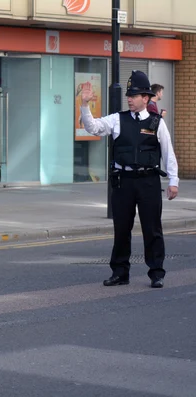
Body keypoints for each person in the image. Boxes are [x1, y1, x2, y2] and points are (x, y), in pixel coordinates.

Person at [80, 70, 179, 288]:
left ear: (145, 98)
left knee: (152, 229)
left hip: (148, 181)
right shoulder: (117, 119)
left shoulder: (156, 123)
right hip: (123, 181)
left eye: (133, 96)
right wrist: (85, 106)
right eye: (128, 95)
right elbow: (93, 127)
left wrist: (174, 181)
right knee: (122, 228)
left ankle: (156, 273)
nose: (129, 99)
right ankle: (120, 273)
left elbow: (168, 153)